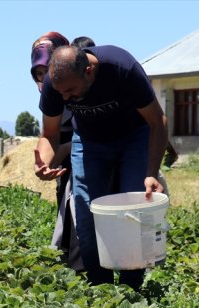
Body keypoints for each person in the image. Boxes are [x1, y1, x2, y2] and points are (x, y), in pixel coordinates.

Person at [36, 44, 167, 290]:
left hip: (133, 137)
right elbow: (50, 134)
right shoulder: (56, 84)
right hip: (89, 141)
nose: (65, 98)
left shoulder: (122, 68)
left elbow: (158, 122)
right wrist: (44, 162)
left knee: (134, 210)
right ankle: (100, 288)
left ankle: (131, 289)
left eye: (70, 91)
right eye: (61, 92)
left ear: (88, 71)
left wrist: (151, 173)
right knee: (86, 213)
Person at [30, 32, 83, 271]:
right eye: (39, 74)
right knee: (65, 206)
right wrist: (46, 162)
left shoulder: (78, 90)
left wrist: (63, 151)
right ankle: (68, 264)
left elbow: (87, 135)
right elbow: (49, 134)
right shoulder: (51, 96)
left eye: (48, 70)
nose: (45, 79)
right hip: (64, 162)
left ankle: (80, 268)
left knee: (80, 210)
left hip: (88, 158)